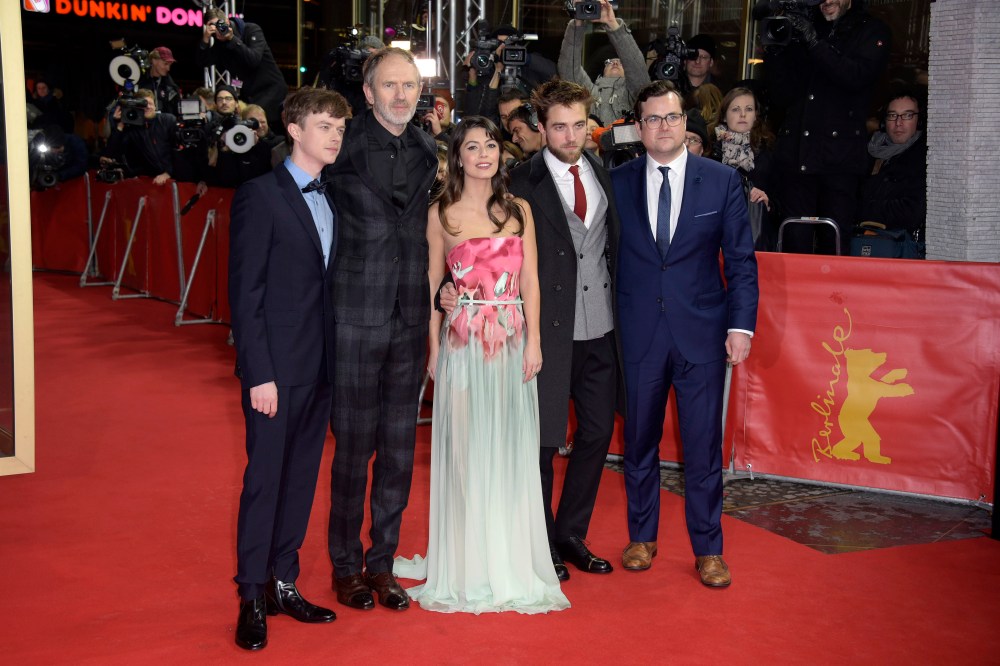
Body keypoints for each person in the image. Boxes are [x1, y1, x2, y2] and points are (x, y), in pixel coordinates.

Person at [395, 116, 570, 615]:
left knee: (510, 451)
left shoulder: (519, 210)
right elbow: (433, 285)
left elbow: (531, 281)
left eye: (491, 145)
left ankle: (508, 557)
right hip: (463, 345)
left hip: (512, 342)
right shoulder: (440, 214)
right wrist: (433, 348)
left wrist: (535, 342)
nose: (484, 154)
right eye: (472, 147)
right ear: (457, 156)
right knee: (467, 452)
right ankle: (469, 560)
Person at [610, 81, 758, 586]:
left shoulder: (721, 181)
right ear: (639, 126)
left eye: (671, 117)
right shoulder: (616, 182)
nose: (663, 127)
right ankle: (642, 536)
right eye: (652, 119)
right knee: (639, 443)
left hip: (703, 335)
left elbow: (741, 261)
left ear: (685, 121)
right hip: (638, 333)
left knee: (702, 448)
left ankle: (709, 548)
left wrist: (741, 326)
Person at [228, 86, 350, 651]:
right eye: (325, 126)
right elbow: (245, 292)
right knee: (264, 482)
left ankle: (283, 582)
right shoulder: (260, 195)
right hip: (275, 372)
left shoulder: (334, 195)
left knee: (300, 480)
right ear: (295, 130)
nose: (335, 136)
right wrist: (259, 373)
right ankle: (251, 593)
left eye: (340, 128)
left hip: (320, 367)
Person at [325, 47, 439, 613]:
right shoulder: (338, 145)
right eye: (390, 85)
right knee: (352, 449)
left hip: (410, 315)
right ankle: (345, 566)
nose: (401, 95)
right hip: (354, 312)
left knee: (398, 450)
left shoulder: (428, 148)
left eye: (409, 85)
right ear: (368, 92)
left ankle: (382, 564)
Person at [507, 79, 623, 581]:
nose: (571, 135)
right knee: (542, 441)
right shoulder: (519, 181)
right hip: (545, 330)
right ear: (541, 126)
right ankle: (541, 541)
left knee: (597, 432)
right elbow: (494, 248)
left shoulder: (603, 172)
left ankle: (571, 533)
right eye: (559, 126)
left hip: (601, 328)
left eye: (579, 125)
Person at [760, 0, 891, 254]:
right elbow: (781, 95)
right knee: (794, 240)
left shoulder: (871, 30)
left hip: (840, 161)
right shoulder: (804, 28)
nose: (826, 1)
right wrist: (776, 51)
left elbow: (855, 76)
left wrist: (814, 41)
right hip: (797, 158)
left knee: (835, 244)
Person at [557, 0, 650, 126]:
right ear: (602, 70)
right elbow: (568, 70)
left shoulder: (634, 93)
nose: (615, 63)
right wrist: (577, 22)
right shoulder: (589, 92)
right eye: (609, 62)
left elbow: (636, 67)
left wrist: (612, 23)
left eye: (621, 62)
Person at [197, 7, 289, 131]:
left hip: (270, 90)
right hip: (249, 93)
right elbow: (202, 62)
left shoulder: (251, 30)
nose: (218, 29)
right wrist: (205, 39)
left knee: (259, 125)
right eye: (212, 26)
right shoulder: (220, 44)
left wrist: (231, 39)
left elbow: (253, 60)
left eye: (219, 24)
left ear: (227, 21)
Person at [858, 89, 927, 248]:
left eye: (907, 115)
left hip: (901, 246)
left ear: (919, 121)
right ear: (884, 121)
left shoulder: (924, 158)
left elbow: (911, 211)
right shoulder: (868, 151)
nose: (898, 122)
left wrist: (862, 208)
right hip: (862, 242)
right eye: (892, 115)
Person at [709, 86, 776, 249]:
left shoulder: (769, 151)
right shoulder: (710, 152)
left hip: (756, 235)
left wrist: (768, 202)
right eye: (736, 109)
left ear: (756, 116)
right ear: (724, 116)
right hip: (716, 237)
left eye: (749, 109)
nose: (743, 114)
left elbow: (783, 199)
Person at [100, 88, 174, 184]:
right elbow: (112, 153)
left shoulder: (167, 120)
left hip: (174, 179)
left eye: (150, 103)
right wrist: (119, 125)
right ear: (136, 108)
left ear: (155, 106)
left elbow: (178, 151)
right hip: (150, 183)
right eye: (144, 104)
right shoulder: (132, 129)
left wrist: (168, 172)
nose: (148, 107)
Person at [139, 46, 182, 116]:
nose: (168, 68)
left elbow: (177, 112)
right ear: (154, 61)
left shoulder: (171, 87)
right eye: (165, 64)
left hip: (164, 122)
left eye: (170, 65)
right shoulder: (139, 82)